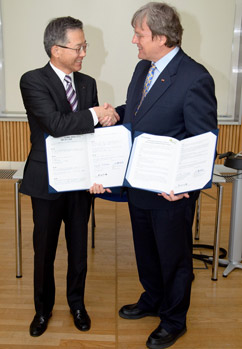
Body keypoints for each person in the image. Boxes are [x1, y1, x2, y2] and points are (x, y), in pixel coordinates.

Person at [90, 2, 217, 348]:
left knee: (174, 258)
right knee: (146, 251)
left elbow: (203, 141)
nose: (134, 40)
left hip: (171, 191)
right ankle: (153, 298)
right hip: (139, 183)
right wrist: (116, 114)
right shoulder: (143, 68)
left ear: (161, 37)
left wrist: (184, 185)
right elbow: (140, 111)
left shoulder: (195, 77)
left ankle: (174, 319)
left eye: (139, 34)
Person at [19, 16, 119, 337]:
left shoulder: (87, 83)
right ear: (55, 49)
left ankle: (77, 304)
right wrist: (93, 114)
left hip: (81, 182)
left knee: (78, 250)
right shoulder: (32, 80)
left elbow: (87, 133)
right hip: (47, 181)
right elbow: (57, 125)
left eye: (85, 46)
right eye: (78, 48)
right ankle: (42, 310)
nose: (83, 54)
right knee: (44, 251)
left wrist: (108, 120)